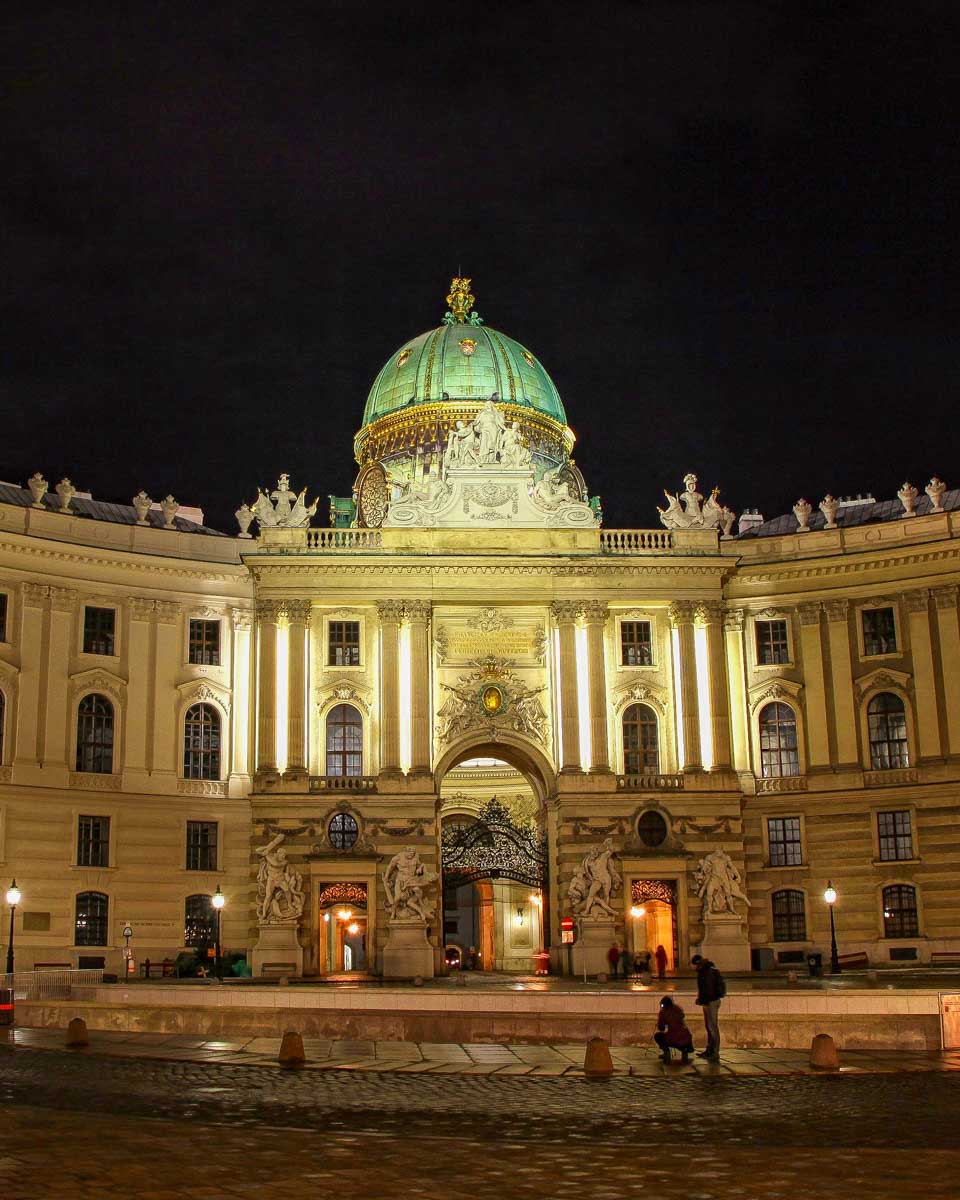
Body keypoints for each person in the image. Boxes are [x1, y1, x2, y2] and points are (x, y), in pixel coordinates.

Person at [691, 953, 726, 1060]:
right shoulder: (707, 970)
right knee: (709, 1027)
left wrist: (702, 1000)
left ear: (697, 964)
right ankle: (710, 1050)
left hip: (711, 1002)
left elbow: (708, 989)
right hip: (709, 1001)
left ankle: (715, 1052)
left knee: (712, 1027)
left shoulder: (706, 972)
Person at [654, 996, 694, 1064]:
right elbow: (681, 1016)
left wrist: (660, 1022)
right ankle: (684, 1052)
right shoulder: (678, 1009)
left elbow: (661, 1028)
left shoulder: (664, 1012)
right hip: (686, 1037)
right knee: (680, 1040)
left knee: (658, 1036)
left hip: (674, 1038)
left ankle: (666, 1052)